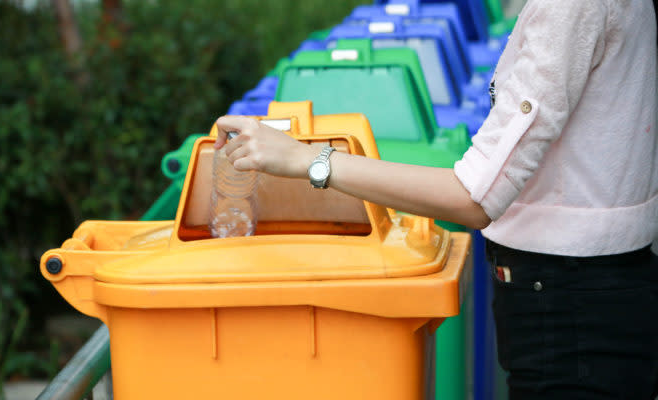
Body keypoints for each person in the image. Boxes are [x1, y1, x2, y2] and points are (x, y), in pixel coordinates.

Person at [214, 0, 658, 398]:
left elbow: (475, 197)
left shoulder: (568, 8)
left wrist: (311, 160)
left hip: (571, 307)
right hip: (595, 291)